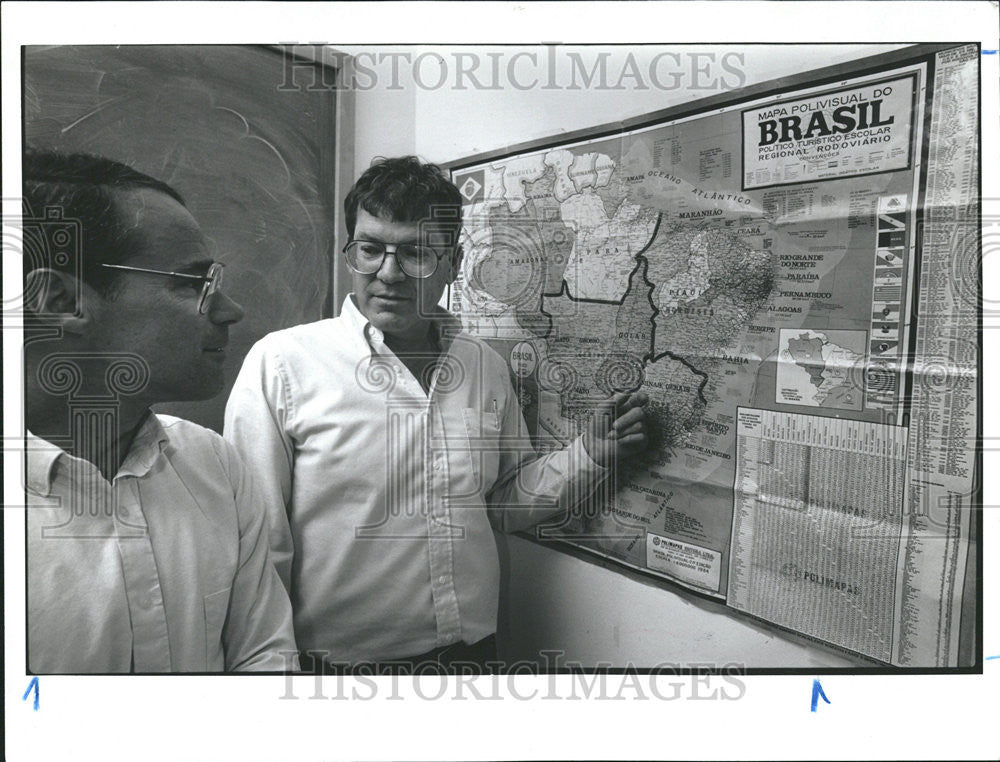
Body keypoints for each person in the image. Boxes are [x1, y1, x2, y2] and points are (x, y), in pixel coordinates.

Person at [225, 156, 648, 672]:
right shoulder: (282, 365)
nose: (388, 273)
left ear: (453, 261)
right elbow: (256, 546)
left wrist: (587, 455)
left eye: (416, 253)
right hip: (336, 671)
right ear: (351, 252)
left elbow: (502, 503)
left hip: (471, 656)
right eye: (370, 249)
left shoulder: (482, 366)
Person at [23, 150, 297, 673]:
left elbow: (265, 656)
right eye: (193, 283)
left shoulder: (214, 465)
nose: (230, 309)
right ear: (62, 299)